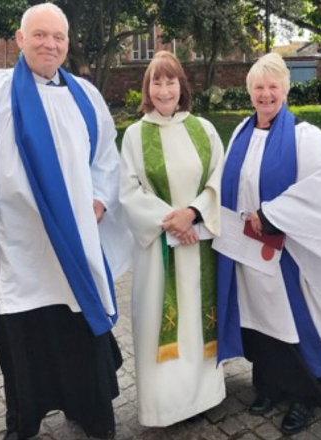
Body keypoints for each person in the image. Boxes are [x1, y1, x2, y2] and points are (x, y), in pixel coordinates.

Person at [0, 3, 133, 440]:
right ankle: (25, 420)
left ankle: (91, 413)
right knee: (25, 342)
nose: (50, 44)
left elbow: (106, 157)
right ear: (20, 39)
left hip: (74, 248)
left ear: (67, 43)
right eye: (39, 35)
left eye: (58, 37)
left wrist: (99, 198)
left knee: (79, 334)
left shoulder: (85, 95)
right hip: (17, 249)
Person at [216, 52, 321, 436]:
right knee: (262, 321)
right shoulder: (241, 132)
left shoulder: (304, 137)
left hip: (288, 256)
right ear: (249, 92)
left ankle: (309, 397)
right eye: (258, 87)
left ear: (286, 90)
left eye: (273, 86)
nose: (265, 94)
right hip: (250, 253)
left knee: (296, 323)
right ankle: (271, 386)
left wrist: (273, 213)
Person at [119, 51, 226, 427]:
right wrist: (171, 221)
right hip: (159, 252)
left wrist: (193, 213)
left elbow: (218, 177)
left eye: (171, 81)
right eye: (157, 82)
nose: (164, 90)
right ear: (147, 89)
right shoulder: (135, 135)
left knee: (199, 317)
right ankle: (165, 406)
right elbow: (127, 192)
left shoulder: (203, 129)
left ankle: (203, 395)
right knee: (157, 321)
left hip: (200, 244)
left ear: (183, 86)